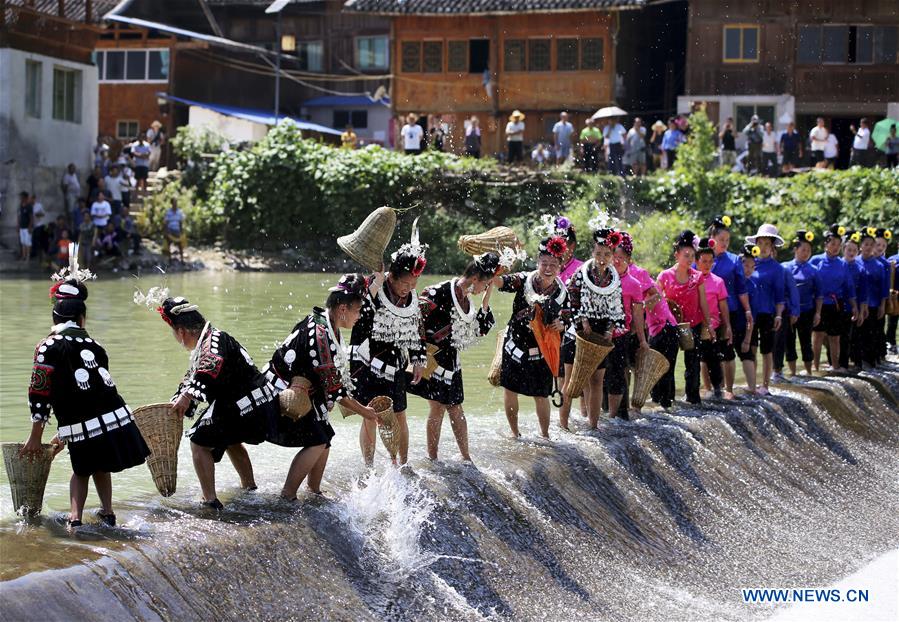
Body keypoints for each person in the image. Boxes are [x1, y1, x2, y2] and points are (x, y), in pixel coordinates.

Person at [22, 269, 149, 528]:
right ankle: (108, 513)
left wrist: (36, 436)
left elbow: (40, 392)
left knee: (81, 471)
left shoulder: (47, 346)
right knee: (101, 467)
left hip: (81, 421)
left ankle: (75, 520)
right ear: (82, 318)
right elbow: (96, 389)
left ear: (54, 317)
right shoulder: (96, 346)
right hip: (116, 416)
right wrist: (62, 434)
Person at [262, 274, 379, 500]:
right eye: (357, 311)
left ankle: (314, 490)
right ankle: (287, 496)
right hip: (281, 392)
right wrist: (365, 412)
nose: (359, 316)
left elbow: (330, 383)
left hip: (303, 390)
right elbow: (336, 390)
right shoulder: (321, 335)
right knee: (317, 440)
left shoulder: (327, 323)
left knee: (325, 436)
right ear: (343, 308)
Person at [161, 296, 273, 509]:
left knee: (198, 441)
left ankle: (210, 500)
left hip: (250, 406)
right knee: (229, 439)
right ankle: (250, 489)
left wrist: (186, 398)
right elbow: (191, 379)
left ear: (181, 332)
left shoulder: (213, 341)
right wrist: (177, 400)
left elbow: (209, 369)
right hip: (254, 405)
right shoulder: (210, 339)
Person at [349, 225, 428, 466]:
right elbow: (355, 317)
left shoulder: (412, 299)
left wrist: (418, 359)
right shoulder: (372, 288)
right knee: (370, 416)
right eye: (405, 283)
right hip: (369, 365)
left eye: (413, 284)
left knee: (401, 416)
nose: (408, 289)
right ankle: (369, 465)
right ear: (391, 276)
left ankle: (402, 464)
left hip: (396, 366)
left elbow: (416, 330)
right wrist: (374, 285)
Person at [411, 254, 498, 461]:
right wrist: (418, 355)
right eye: (485, 284)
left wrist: (486, 300)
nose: (485, 288)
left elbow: (479, 331)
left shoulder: (468, 301)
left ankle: (466, 457)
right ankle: (433, 458)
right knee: (437, 407)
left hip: (452, 362)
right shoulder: (438, 292)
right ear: (475, 278)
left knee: (456, 407)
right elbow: (415, 319)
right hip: (431, 358)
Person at [494, 235, 569, 437]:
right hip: (515, 345)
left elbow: (572, 318)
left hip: (543, 350)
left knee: (541, 395)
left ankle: (545, 435)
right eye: (544, 263)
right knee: (510, 390)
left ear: (560, 266)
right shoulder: (523, 280)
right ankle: (514, 433)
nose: (548, 268)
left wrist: (562, 324)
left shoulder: (563, 293)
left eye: (553, 264)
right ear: (537, 263)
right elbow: (502, 283)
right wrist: (494, 272)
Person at [561, 227, 625, 428]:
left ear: (613, 256)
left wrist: (609, 330)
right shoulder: (581, 273)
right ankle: (563, 424)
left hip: (601, 330)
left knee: (597, 380)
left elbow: (617, 306)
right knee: (572, 379)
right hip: (577, 329)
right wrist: (583, 321)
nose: (602, 258)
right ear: (592, 253)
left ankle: (593, 425)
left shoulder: (614, 279)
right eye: (598, 254)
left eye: (607, 254)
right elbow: (571, 298)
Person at [657, 231, 712, 404]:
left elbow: (703, 302)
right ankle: (667, 400)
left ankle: (693, 399)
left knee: (693, 363)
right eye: (686, 255)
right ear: (677, 255)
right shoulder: (664, 276)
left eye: (692, 256)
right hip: (672, 326)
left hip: (693, 324)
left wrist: (709, 325)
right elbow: (657, 303)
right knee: (669, 363)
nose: (689, 259)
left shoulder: (697, 276)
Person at [708, 216, 753, 399]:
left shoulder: (734, 260)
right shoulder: (703, 257)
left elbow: (742, 288)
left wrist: (748, 310)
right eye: (721, 240)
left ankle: (729, 389)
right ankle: (711, 388)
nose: (725, 243)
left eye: (728, 240)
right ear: (713, 238)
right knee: (709, 353)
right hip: (709, 313)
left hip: (731, 311)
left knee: (727, 351)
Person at [609, 231, 649, 418]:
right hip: (602, 334)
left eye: (621, 258)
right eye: (614, 257)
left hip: (622, 334)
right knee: (602, 375)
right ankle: (604, 413)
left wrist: (642, 340)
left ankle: (621, 413)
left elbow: (638, 314)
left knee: (621, 372)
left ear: (629, 260)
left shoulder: (633, 283)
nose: (617, 261)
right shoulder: (603, 279)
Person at [743, 224, 786, 394]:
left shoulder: (777, 269)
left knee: (767, 350)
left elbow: (780, 295)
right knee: (751, 348)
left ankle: (765, 385)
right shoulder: (749, 264)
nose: (763, 247)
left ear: (772, 247)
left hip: (768, 314)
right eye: (760, 243)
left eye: (767, 244)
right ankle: (752, 384)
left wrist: (779, 315)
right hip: (750, 315)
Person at [812, 226, 858, 372]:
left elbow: (849, 287)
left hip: (836, 304)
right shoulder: (815, 260)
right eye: (832, 244)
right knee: (818, 336)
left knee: (834, 337)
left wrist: (855, 306)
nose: (835, 247)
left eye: (838, 245)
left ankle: (836, 366)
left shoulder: (842, 264)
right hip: (818, 304)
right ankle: (815, 366)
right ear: (826, 245)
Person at [777, 231, 822, 377]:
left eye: (809, 250)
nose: (806, 253)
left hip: (807, 311)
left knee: (806, 342)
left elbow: (819, 294)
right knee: (789, 343)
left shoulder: (814, 270)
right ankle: (793, 373)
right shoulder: (785, 268)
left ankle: (809, 372)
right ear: (795, 250)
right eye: (803, 250)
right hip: (789, 312)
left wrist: (818, 313)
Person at [695, 237, 730, 398]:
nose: (707, 264)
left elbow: (723, 306)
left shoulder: (718, 282)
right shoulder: (692, 280)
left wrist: (727, 325)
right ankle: (698, 390)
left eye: (710, 261)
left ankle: (717, 388)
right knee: (695, 359)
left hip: (713, 326)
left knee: (713, 359)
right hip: (695, 325)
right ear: (697, 261)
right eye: (704, 261)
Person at [858, 228, 889, 369]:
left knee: (873, 334)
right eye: (866, 244)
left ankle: (873, 361)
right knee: (858, 335)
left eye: (872, 245)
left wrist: (883, 305)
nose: (869, 247)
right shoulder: (855, 262)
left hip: (874, 304)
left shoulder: (879, 265)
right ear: (861, 246)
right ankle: (858, 361)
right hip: (857, 305)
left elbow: (884, 287)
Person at [839, 230, 868, 370]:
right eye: (849, 249)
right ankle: (837, 363)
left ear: (858, 251)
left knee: (852, 337)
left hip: (853, 307)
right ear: (843, 249)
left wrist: (862, 311)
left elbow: (863, 293)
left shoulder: (860, 269)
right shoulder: (838, 265)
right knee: (836, 336)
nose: (851, 252)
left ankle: (855, 363)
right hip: (837, 305)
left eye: (854, 250)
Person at [771, 254, 799, 384]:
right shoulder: (754, 267)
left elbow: (793, 291)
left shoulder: (783, 269)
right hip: (764, 311)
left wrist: (795, 310)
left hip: (783, 311)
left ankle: (778, 371)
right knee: (768, 344)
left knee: (781, 342)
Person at [17, 191, 33, 261]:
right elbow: (19, 216)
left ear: (25, 198)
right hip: (21, 227)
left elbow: (31, 217)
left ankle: (28, 256)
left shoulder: (29, 206)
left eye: (22, 197)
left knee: (28, 242)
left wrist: (30, 227)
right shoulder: (20, 205)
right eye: (20, 197)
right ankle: (23, 256)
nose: (21, 198)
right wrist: (18, 225)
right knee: (23, 242)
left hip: (27, 227)